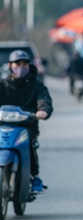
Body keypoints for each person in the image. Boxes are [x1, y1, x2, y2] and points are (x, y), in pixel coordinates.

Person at [0, 50, 53, 193]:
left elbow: (44, 100)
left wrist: (42, 111)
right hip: (3, 125)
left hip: (26, 126)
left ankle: (34, 177)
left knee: (28, 143)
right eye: (17, 63)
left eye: (24, 63)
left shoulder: (36, 85)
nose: (21, 67)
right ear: (10, 65)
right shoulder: (2, 84)